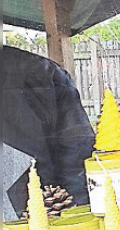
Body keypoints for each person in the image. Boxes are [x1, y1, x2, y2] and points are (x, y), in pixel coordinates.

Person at [2, 45, 96, 215]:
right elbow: (79, 158)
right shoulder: (44, 72)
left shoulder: (43, 73)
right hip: (41, 217)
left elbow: (77, 154)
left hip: (40, 214)